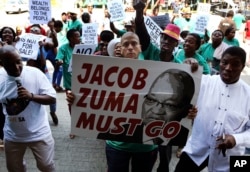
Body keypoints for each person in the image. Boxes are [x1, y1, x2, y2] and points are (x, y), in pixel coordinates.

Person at [175, 46, 250, 172]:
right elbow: (180, 87)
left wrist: (236, 139)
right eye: (224, 62)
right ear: (220, 62)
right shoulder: (204, 82)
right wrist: (186, 68)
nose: (228, 68)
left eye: (235, 64)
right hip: (196, 149)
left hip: (229, 159)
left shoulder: (248, 95)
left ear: (242, 67)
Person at [0, 45, 56, 172]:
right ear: (1, 63)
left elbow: (52, 98)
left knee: (46, 166)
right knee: (14, 168)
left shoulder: (35, 73)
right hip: (13, 135)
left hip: (39, 133)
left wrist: (31, 96)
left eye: (18, 62)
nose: (16, 67)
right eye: (10, 64)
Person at [56, 29, 81, 139]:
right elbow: (58, 59)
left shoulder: (83, 48)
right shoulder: (63, 48)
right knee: (72, 106)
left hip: (83, 84)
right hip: (70, 84)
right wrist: (59, 62)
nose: (79, 38)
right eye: (77, 36)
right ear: (70, 38)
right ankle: (74, 128)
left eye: (79, 36)